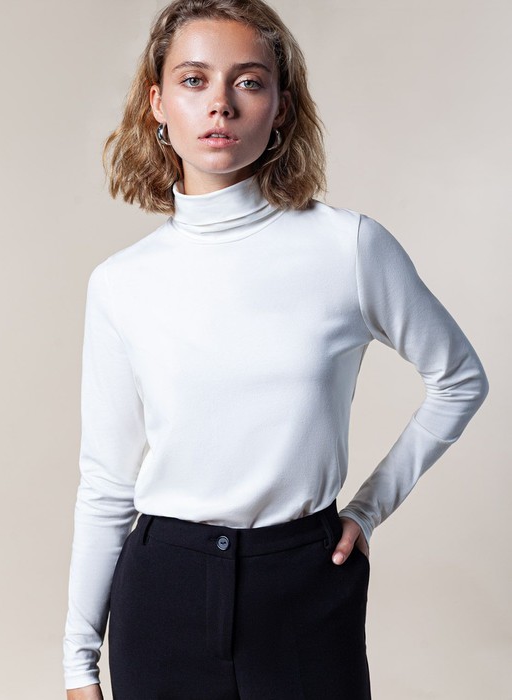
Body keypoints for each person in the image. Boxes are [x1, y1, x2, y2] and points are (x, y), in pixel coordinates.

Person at [62, 1, 489, 698]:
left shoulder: (348, 248)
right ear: (157, 103)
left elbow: (460, 379)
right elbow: (107, 481)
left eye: (249, 82)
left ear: (281, 107)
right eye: (194, 80)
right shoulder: (120, 284)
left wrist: (368, 509)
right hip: (163, 590)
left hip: (305, 585)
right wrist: (78, 660)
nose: (221, 104)